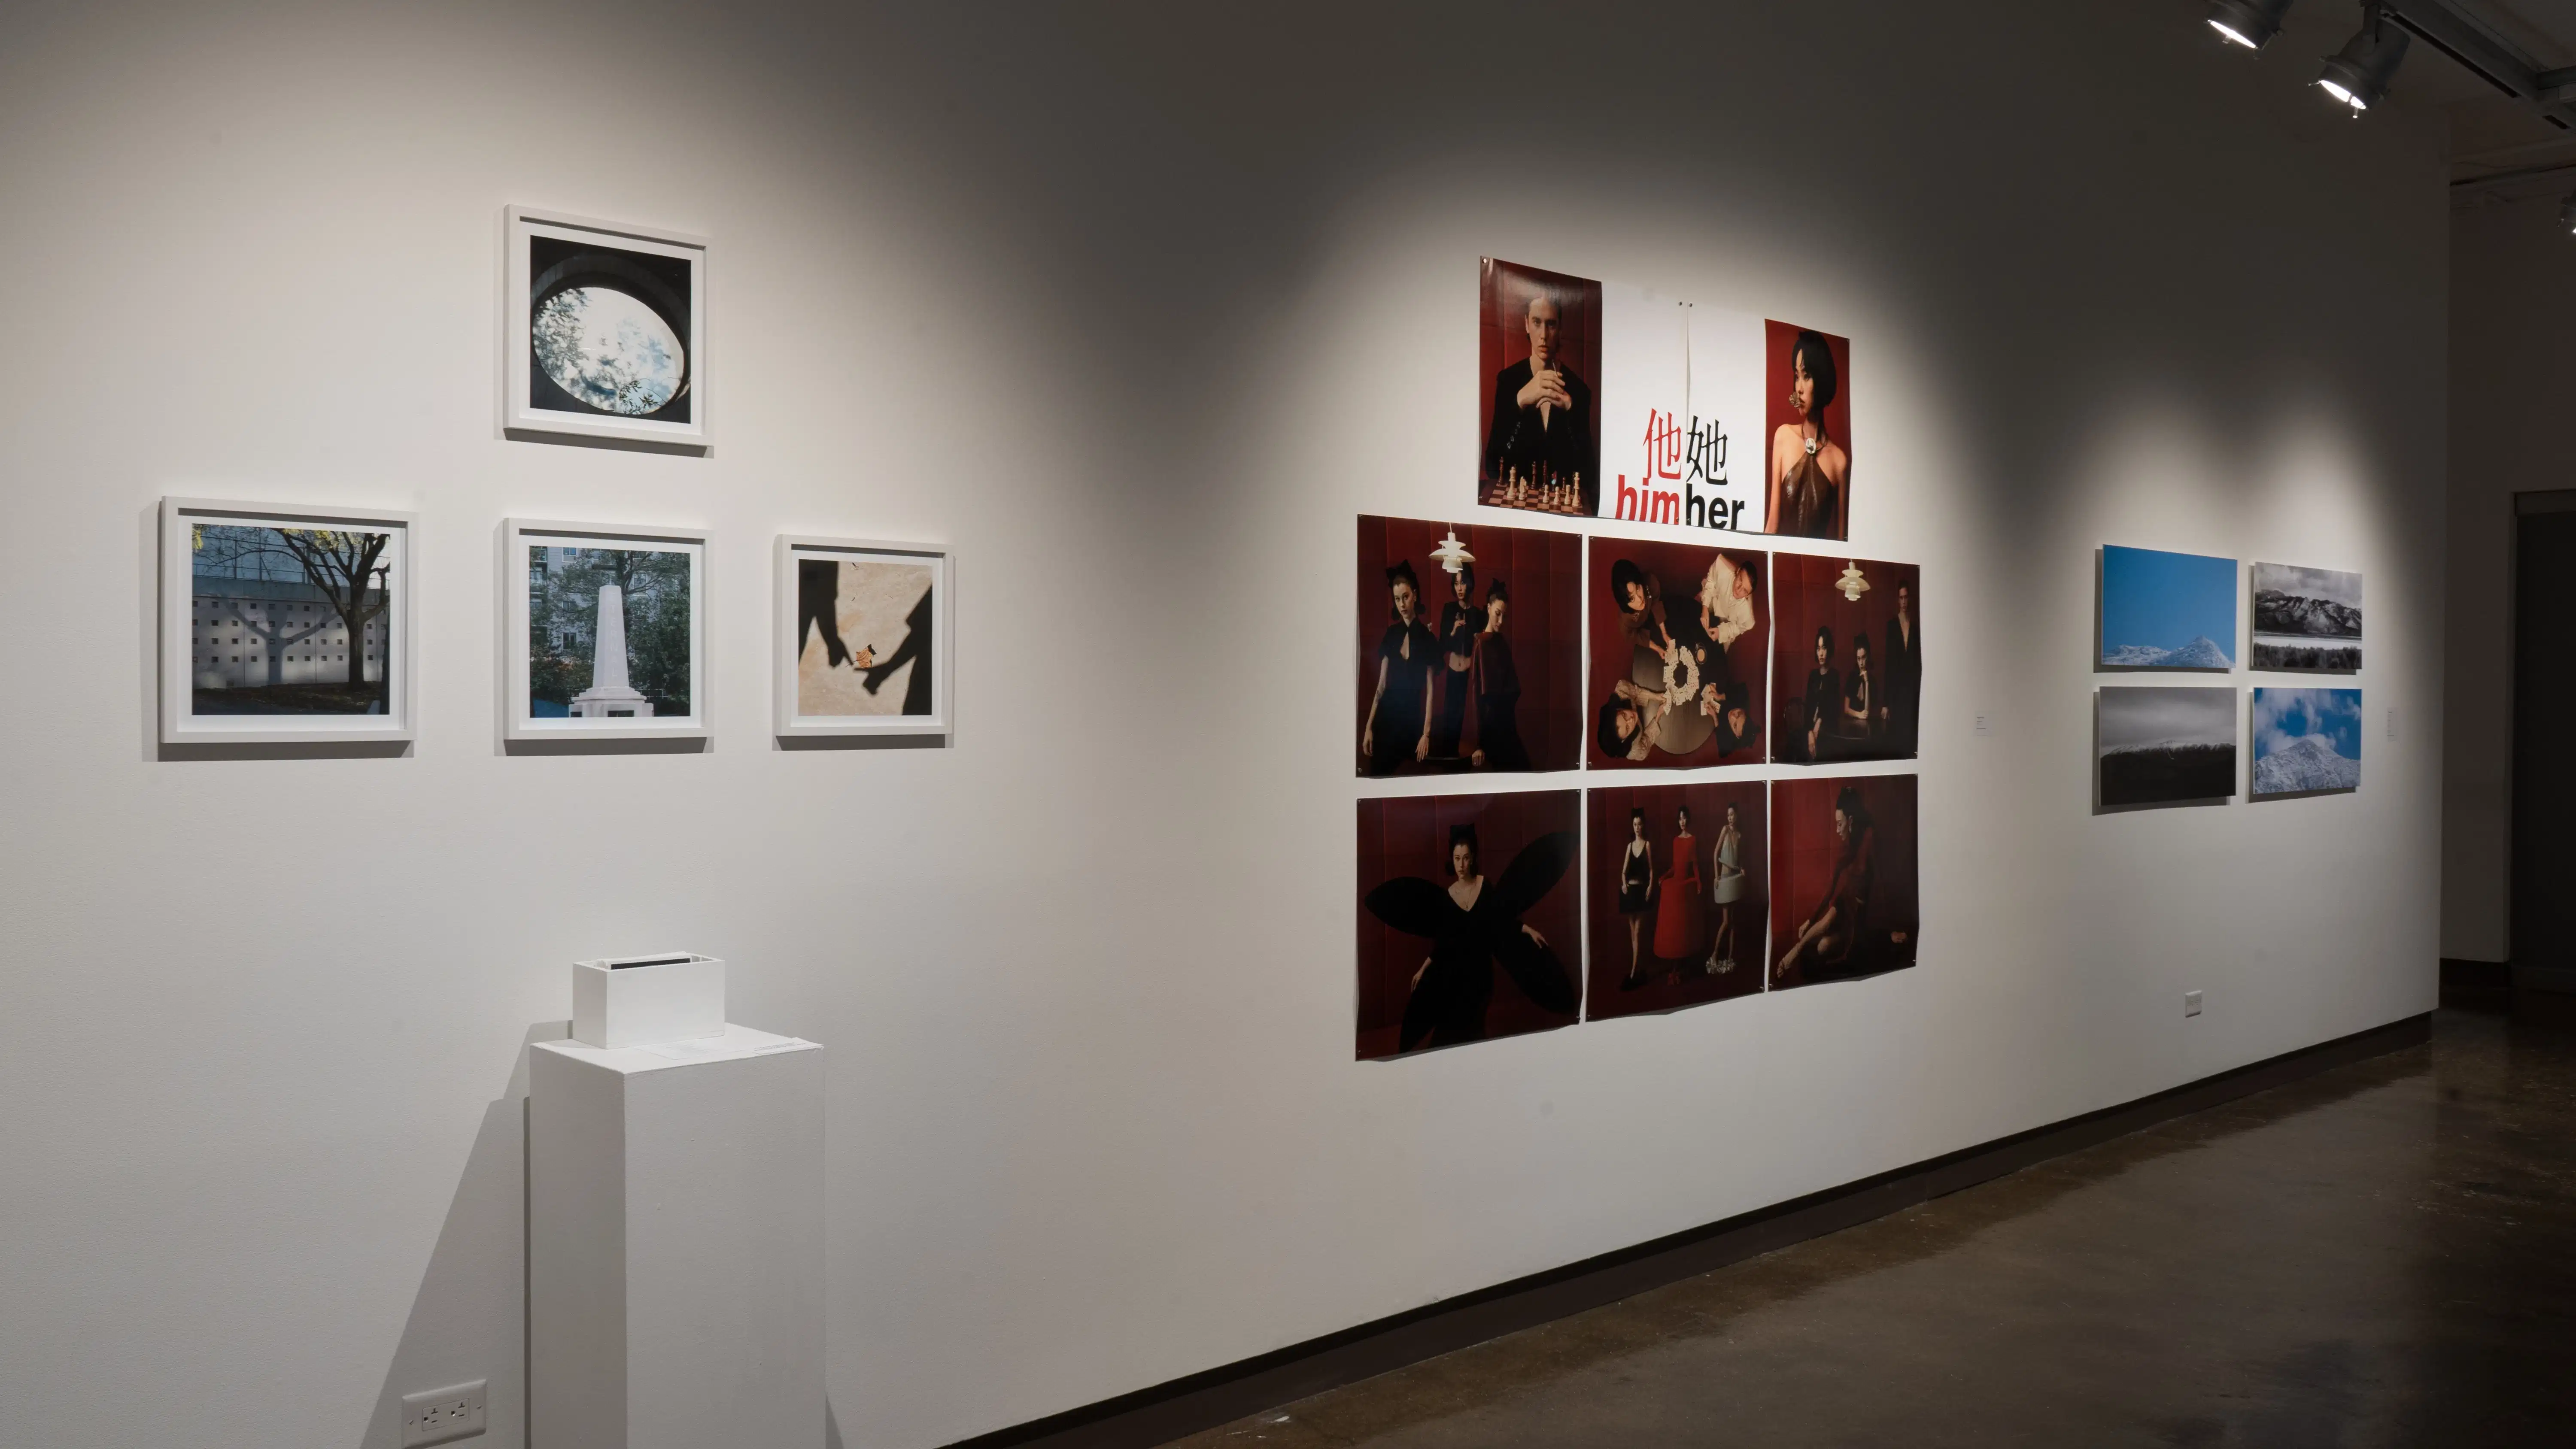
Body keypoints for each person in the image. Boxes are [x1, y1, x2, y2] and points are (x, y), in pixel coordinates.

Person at [1363, 823, 1579, 1051]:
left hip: (1482, 976)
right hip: (1458, 977)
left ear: (1473, 858)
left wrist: (1527, 930)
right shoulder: (1448, 896)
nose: (1461, 865)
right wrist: (1424, 968)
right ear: (1452, 859)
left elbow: (1501, 918)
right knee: (1452, 1032)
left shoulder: (1485, 886)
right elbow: (1445, 942)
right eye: (1457, 858)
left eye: (1466, 858)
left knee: (1474, 1028)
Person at [1483, 291, 1595, 509]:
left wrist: (1572, 410)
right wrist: (1519, 402)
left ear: (1560, 329)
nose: (1543, 335)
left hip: (1560, 508)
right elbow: (1492, 468)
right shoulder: (1508, 381)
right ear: (1527, 324)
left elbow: (1589, 477)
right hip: (1515, 505)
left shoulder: (1580, 391)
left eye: (1551, 325)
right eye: (1537, 322)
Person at [1777, 786, 1876, 987]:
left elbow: (1874, 880)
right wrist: (1810, 919)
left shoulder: (1869, 837)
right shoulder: (1847, 847)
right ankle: (1801, 949)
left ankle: (1794, 953)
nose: (1837, 830)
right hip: (1846, 910)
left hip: (1862, 916)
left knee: (1834, 916)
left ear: (1851, 821)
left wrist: (1891, 929)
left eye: (1840, 824)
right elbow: (1831, 888)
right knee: (1823, 946)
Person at [1766, 330, 1847, 538]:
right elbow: (1772, 525)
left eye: (1807, 376)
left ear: (1821, 380)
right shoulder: (1783, 436)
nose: (1799, 389)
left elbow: (1841, 544)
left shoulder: (1839, 462)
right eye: (1797, 377)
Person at [1362, 562, 1437, 775]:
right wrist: (1369, 727)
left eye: (1405, 597)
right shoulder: (1391, 634)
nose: (1402, 604)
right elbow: (1382, 684)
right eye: (1397, 599)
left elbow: (1431, 691)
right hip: (1385, 720)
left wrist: (1426, 734)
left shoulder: (1428, 639)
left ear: (1414, 595)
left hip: (1410, 723)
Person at [1468, 579, 1528, 771]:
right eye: (1497, 614)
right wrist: (1479, 744)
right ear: (1488, 609)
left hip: (1507, 724)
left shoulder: (1501, 643)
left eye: (1504, 616)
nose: (1501, 621)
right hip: (1491, 729)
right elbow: (1477, 695)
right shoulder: (1481, 643)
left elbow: (1513, 688)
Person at [1431, 563, 1482, 760]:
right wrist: (1453, 630)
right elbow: (1443, 643)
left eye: (1463, 583)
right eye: (1456, 584)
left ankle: (1467, 760)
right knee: (1450, 715)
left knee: (1466, 717)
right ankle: (1449, 758)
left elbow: (1481, 645)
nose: (1459, 588)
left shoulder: (1478, 614)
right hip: (1452, 671)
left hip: (1469, 674)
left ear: (1470, 584)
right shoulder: (1449, 609)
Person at [1652, 805, 1707, 967]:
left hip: (1685, 883)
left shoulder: (1693, 839)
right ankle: (1673, 959)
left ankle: (1684, 958)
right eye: (1680, 819)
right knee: (1672, 917)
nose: (1682, 821)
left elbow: (1695, 865)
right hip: (1675, 881)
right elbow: (1675, 867)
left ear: (1688, 819)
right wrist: (1663, 877)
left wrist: (1698, 881)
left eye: (1684, 818)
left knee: (1683, 921)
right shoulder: (1676, 841)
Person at [1704, 801, 1747, 976]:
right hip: (1725, 878)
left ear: (1737, 815)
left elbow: (1739, 859)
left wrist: (1743, 868)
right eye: (1728, 815)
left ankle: (1730, 957)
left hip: (1735, 880)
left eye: (1732, 815)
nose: (1730, 818)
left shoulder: (1740, 836)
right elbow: (1715, 854)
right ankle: (1715, 954)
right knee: (1726, 922)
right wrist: (1716, 876)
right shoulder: (1724, 830)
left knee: (1733, 922)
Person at [1616, 808, 1655, 987]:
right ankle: (1636, 967)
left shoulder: (1647, 845)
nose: (1637, 828)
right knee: (1632, 934)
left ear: (1643, 825)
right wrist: (1624, 884)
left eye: (1640, 824)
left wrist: (1650, 886)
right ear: (1632, 826)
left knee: (1637, 933)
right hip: (1629, 894)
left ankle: (1633, 972)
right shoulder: (1630, 846)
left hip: (1641, 893)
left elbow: (1652, 870)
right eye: (1635, 825)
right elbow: (1623, 872)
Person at [1884, 579, 1921, 754]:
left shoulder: (1915, 628)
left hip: (1912, 690)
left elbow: (1918, 663)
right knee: (1897, 736)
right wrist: (1886, 703)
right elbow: (1889, 664)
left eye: (1906, 598)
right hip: (1897, 691)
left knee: (1911, 736)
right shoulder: (1892, 626)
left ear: (1910, 599)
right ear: (1898, 600)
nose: (1904, 602)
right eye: (1901, 598)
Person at [1598, 679, 1671, 764]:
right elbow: (1646, 741)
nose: (1631, 719)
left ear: (1618, 710)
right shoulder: (1634, 751)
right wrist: (1658, 715)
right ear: (1625, 740)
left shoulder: (1622, 691)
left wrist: (1655, 696)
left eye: (1625, 715)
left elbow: (1635, 693)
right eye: (1628, 728)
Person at [1801, 627, 1839, 763]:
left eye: (1824, 648)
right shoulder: (1813, 676)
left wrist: (1819, 724)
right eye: (1818, 649)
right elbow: (1807, 710)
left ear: (1829, 650)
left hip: (1826, 731)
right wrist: (1810, 733)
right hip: (1810, 730)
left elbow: (1834, 710)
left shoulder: (1834, 676)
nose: (1821, 653)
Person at [1841, 633, 1877, 745]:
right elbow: (1846, 709)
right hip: (1850, 725)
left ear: (1868, 657)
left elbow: (1867, 713)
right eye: (1858, 659)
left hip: (1866, 728)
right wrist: (1859, 715)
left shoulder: (1872, 680)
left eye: (1864, 658)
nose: (1861, 663)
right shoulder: (1852, 677)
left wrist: (1867, 682)